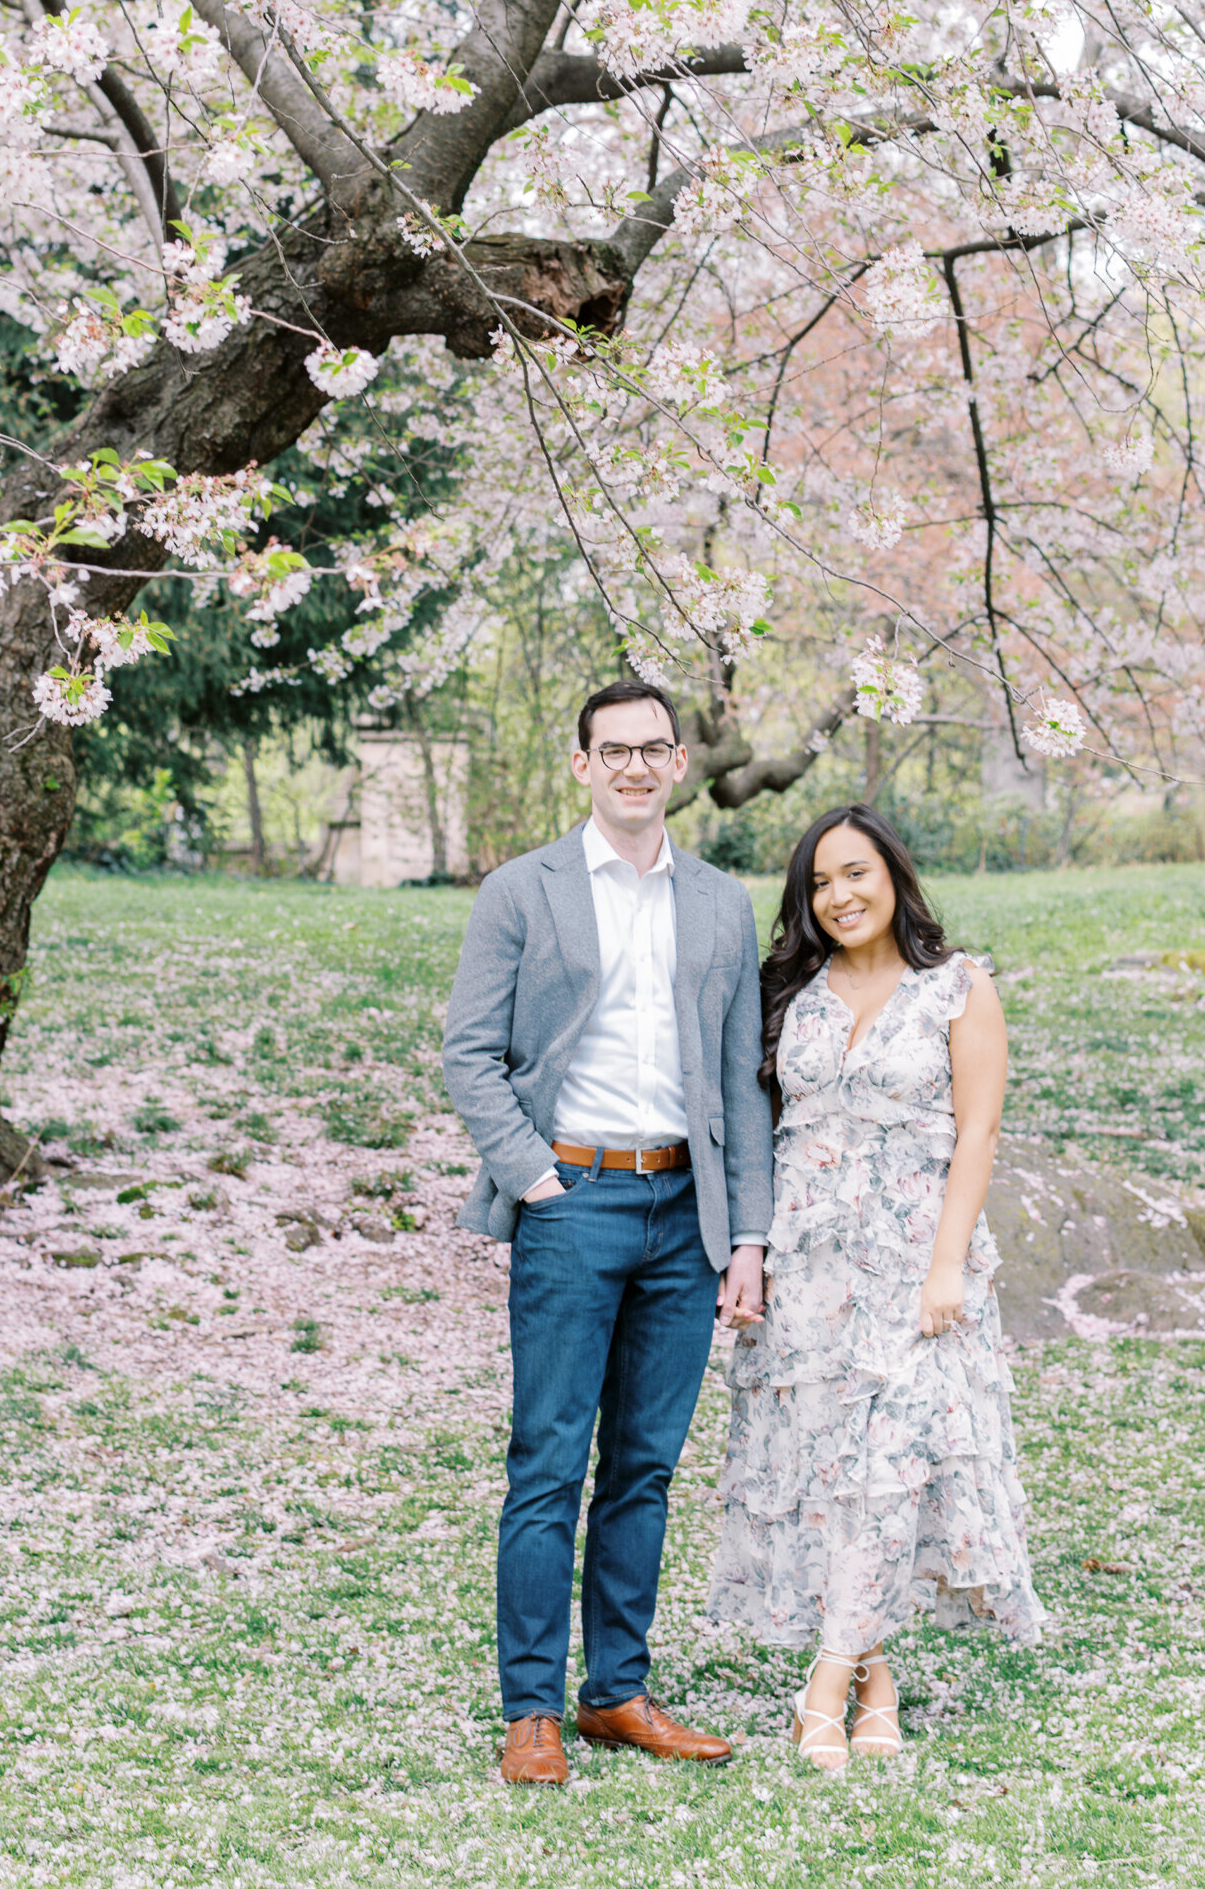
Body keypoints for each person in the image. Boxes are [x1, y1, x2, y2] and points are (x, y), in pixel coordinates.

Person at [441, 679, 774, 1787]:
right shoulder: (521, 891)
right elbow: (469, 1055)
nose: (634, 767)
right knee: (547, 1460)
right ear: (581, 764)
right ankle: (531, 1706)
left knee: (643, 1466)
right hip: (570, 1200)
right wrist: (534, 1180)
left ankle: (616, 1693)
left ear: (680, 765)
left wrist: (749, 1239)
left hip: (686, 1214)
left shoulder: (722, 904)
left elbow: (740, 1084)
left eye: (653, 749)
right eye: (612, 750)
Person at [707, 804, 1043, 1770]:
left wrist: (947, 1264)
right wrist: (753, 1250)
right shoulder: (788, 991)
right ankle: (876, 1678)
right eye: (819, 883)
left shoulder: (956, 986)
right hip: (807, 1267)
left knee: (893, 1460)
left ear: (893, 874)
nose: (839, 896)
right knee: (832, 1474)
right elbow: (758, 1129)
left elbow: (976, 1132)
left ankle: (824, 1682)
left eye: (855, 873)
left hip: (912, 1267)